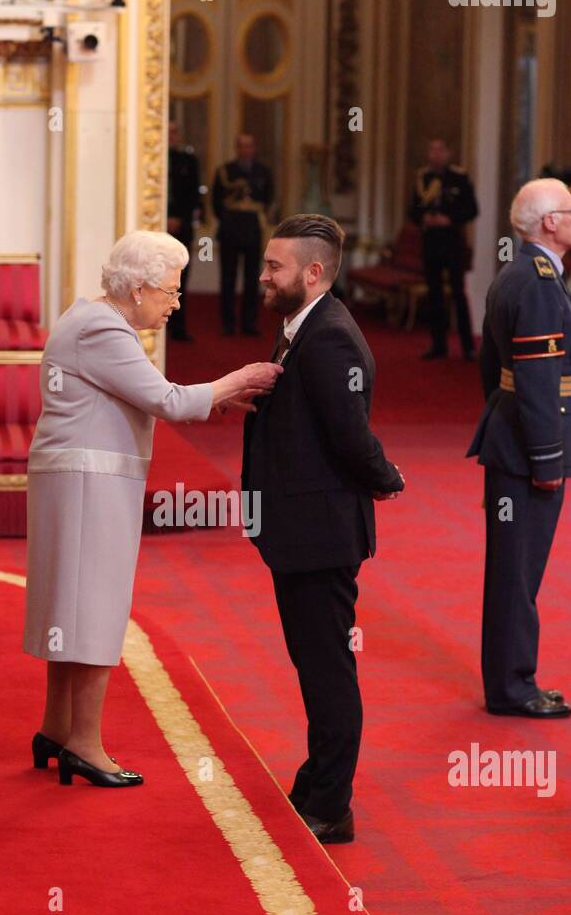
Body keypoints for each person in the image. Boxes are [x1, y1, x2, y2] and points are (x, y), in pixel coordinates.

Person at [24, 230, 281, 788]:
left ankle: (58, 728)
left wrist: (214, 398)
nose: (175, 303)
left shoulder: (90, 319)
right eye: (169, 292)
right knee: (92, 608)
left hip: (78, 479)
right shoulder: (103, 329)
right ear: (137, 288)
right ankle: (85, 746)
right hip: (89, 483)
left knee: (71, 608)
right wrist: (236, 379)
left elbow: (144, 398)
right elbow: (165, 400)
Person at [242, 214, 405, 844]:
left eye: (274, 267)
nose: (263, 277)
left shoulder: (331, 337)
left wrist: (386, 475)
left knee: (328, 668)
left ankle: (332, 805)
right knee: (313, 662)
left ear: (314, 273)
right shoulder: (301, 326)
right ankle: (317, 776)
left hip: (320, 535)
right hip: (299, 530)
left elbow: (349, 436)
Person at [467, 179, 571, 717]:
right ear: (549, 223)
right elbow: (536, 380)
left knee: (514, 570)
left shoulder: (517, 273)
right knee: (517, 573)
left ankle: (511, 679)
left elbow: (493, 370)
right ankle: (513, 687)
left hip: (510, 440)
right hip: (527, 450)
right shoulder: (536, 282)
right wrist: (547, 458)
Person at [409, 138, 478, 360]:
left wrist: (449, 220)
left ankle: (468, 346)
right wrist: (425, 218)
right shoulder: (423, 178)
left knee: (458, 293)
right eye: (432, 150)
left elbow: (471, 209)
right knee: (435, 295)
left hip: (452, 243)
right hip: (431, 243)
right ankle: (438, 344)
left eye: (440, 150)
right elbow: (412, 210)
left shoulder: (459, 177)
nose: (436, 154)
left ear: (448, 153)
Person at [212, 133, 274, 337]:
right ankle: (227, 323)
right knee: (228, 278)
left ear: (254, 148)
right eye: (241, 146)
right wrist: (229, 219)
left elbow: (268, 199)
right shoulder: (225, 171)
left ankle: (249, 323)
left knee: (251, 279)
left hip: (253, 230)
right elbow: (216, 203)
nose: (245, 150)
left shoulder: (263, 171)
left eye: (249, 146)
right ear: (236, 148)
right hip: (230, 228)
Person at [166, 120, 201, 342]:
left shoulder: (189, 161)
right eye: (168, 131)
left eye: (175, 132)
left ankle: (177, 327)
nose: (172, 136)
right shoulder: (150, 157)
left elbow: (193, 195)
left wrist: (178, 218)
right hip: (156, 227)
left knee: (180, 278)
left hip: (182, 228)